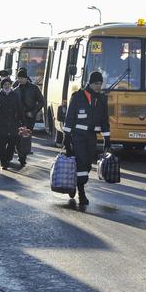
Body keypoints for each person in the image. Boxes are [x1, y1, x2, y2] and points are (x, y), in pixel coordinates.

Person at [62, 72, 111, 211]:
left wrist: (107, 139)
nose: (98, 86)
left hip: (91, 137)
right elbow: (70, 117)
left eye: (100, 84)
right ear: (90, 83)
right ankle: (81, 193)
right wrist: (66, 136)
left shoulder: (102, 99)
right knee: (82, 162)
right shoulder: (78, 97)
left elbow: (104, 120)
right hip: (78, 136)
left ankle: (74, 184)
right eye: (96, 83)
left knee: (88, 164)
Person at [0, 78, 26, 170]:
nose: (7, 86)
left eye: (8, 84)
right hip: (1, 123)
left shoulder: (15, 95)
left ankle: (8, 158)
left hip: (13, 122)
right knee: (1, 143)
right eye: (5, 84)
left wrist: (23, 123)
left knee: (12, 143)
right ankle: (3, 162)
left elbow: (20, 109)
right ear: (2, 86)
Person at [14, 69, 44, 166]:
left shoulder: (34, 88)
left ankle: (23, 155)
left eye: (22, 78)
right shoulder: (15, 90)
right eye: (19, 78)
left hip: (29, 117)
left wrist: (33, 112)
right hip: (18, 117)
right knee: (18, 136)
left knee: (26, 136)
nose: (20, 80)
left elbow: (41, 102)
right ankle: (20, 154)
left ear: (26, 78)